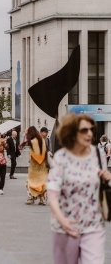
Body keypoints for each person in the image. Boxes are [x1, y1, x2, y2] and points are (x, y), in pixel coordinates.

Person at [48, 113, 111, 264]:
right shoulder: (61, 157)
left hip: (93, 224)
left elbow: (103, 183)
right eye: (84, 130)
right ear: (71, 132)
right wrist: (61, 219)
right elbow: (52, 192)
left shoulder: (98, 153)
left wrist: (107, 177)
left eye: (91, 129)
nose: (89, 133)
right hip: (66, 226)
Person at [22, 126, 49, 205]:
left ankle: (31, 197)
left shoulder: (33, 141)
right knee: (42, 183)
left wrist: (24, 135)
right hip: (43, 166)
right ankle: (42, 200)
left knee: (30, 182)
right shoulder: (42, 140)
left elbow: (21, 146)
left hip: (34, 167)